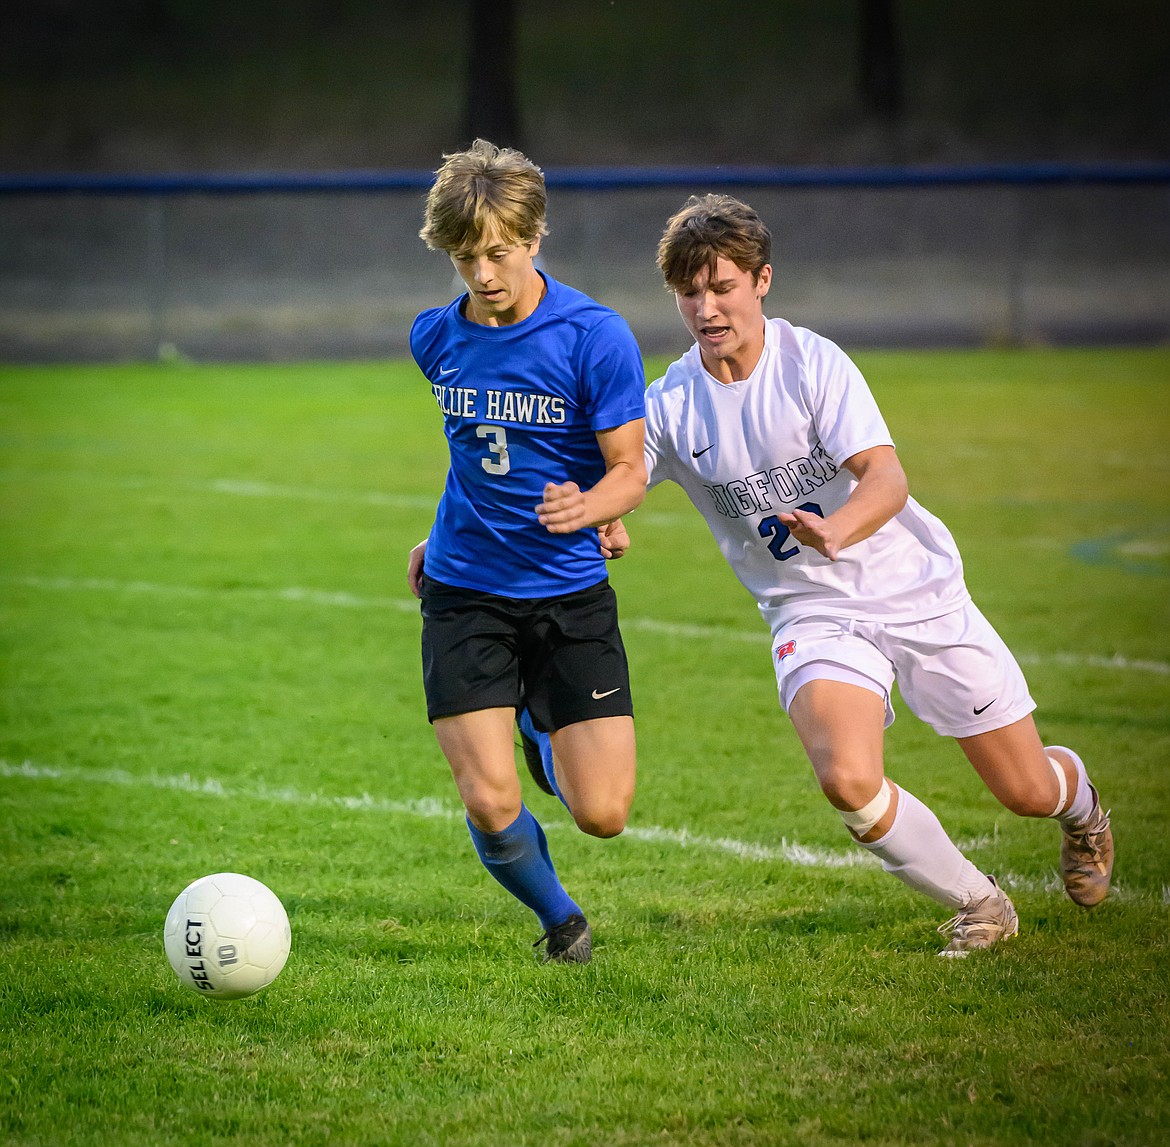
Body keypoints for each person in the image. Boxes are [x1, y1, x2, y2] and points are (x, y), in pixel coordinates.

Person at [603, 193, 1112, 955]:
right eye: (690, 292)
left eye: (722, 286)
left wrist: (834, 528)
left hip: (915, 592)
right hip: (812, 614)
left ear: (762, 280)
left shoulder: (812, 364)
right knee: (846, 776)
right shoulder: (672, 403)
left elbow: (887, 478)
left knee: (1026, 789)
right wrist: (608, 516)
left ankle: (1084, 811)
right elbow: (624, 475)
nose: (706, 308)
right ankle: (980, 902)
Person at [405, 139, 647, 964]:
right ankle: (562, 922)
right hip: (464, 591)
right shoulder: (433, 339)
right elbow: (475, 450)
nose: (483, 274)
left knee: (603, 811)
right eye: (466, 257)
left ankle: (539, 726)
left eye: (499, 253)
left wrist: (593, 506)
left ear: (535, 237)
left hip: (569, 593)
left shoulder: (594, 337)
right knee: (486, 795)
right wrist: (435, 537)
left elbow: (630, 473)